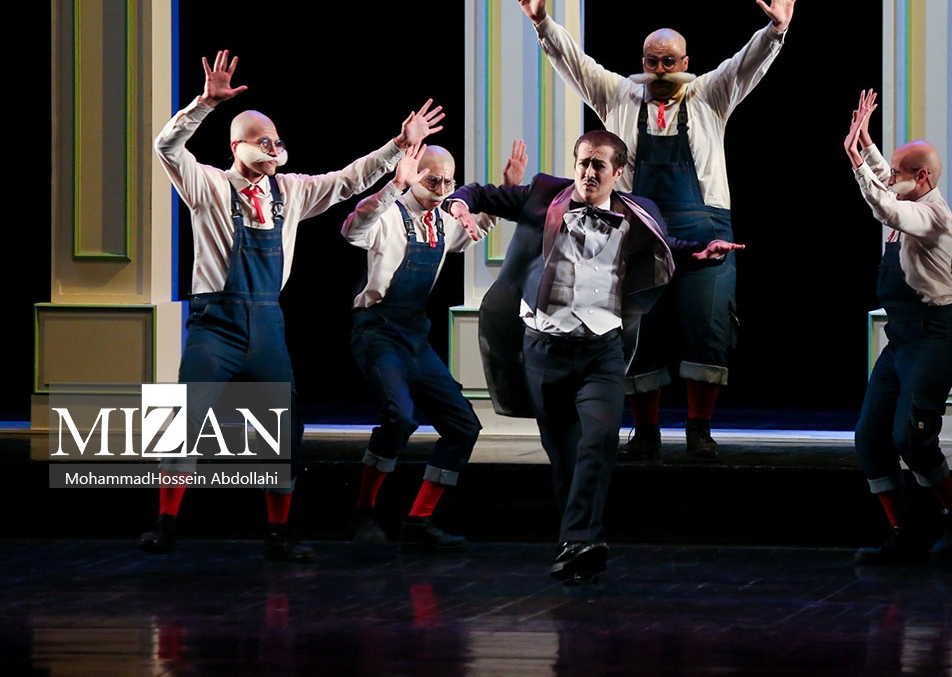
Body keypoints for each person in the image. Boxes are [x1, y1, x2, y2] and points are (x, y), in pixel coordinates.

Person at [143, 49, 444, 560]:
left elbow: (348, 179)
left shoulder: (292, 192)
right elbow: (167, 147)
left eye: (278, 141)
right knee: (186, 417)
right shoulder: (208, 185)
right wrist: (205, 103)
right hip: (216, 324)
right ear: (237, 146)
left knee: (284, 426)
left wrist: (398, 145)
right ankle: (166, 522)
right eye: (263, 141)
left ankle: (280, 534)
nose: (274, 148)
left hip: (266, 323)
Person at [509, 0, 800, 460]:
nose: (661, 70)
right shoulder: (618, 95)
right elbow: (573, 63)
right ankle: (645, 432)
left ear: (685, 63)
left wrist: (775, 32)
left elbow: (746, 65)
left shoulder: (709, 95)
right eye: (652, 61)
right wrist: (542, 22)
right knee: (637, 327)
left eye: (669, 61)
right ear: (642, 62)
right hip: (635, 230)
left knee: (708, 327)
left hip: (704, 226)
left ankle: (699, 429)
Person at [444, 130, 744, 583]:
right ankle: (576, 543)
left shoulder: (639, 211)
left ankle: (581, 539)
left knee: (598, 440)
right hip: (543, 348)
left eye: (598, 165)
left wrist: (700, 254)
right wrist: (460, 205)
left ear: (617, 172)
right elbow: (478, 192)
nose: (588, 172)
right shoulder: (543, 194)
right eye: (583, 162)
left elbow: (669, 245)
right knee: (565, 455)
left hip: (601, 350)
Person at [344, 139, 528, 552]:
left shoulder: (444, 222)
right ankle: (362, 513)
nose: (442, 189)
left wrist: (506, 191)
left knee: (464, 427)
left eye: (448, 182)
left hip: (415, 335)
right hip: (377, 331)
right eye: (432, 181)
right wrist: (393, 186)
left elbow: (470, 233)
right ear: (414, 176)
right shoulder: (389, 216)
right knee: (399, 418)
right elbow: (353, 228)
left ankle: (419, 520)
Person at [842, 89, 952, 563]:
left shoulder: (932, 216)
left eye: (898, 173)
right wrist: (865, 144)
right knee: (870, 438)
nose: (888, 178)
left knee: (912, 438)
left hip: (935, 336)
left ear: (922, 178)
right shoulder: (909, 190)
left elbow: (886, 206)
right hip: (901, 338)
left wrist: (855, 163)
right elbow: (887, 180)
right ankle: (904, 531)